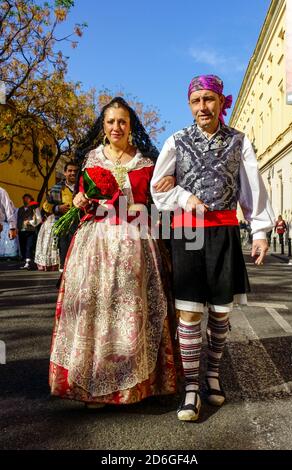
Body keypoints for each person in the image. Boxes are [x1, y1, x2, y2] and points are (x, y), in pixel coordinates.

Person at [151, 74, 275, 422]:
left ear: (222, 102)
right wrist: (184, 195)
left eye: (209, 99)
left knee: (221, 313)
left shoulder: (240, 142)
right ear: (189, 105)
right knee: (189, 313)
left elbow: (252, 188)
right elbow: (158, 191)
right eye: (196, 101)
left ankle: (212, 374)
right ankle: (191, 387)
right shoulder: (175, 142)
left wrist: (262, 230)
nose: (202, 107)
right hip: (187, 234)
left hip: (224, 233)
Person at [49, 97, 177, 407]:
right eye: (110, 122)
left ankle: (136, 385)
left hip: (137, 241)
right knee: (97, 308)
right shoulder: (92, 159)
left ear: (131, 125)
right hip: (97, 244)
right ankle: (95, 384)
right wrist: (80, 198)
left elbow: (160, 202)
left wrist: (143, 205)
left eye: (122, 121)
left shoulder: (147, 162)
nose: (116, 127)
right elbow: (83, 194)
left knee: (133, 310)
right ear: (103, 127)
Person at [43, 161, 78, 271]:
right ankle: (64, 270)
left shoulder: (83, 187)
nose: (73, 173)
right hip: (63, 225)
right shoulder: (57, 188)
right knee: (64, 247)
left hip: (81, 223)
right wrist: (57, 208)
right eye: (70, 171)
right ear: (65, 173)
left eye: (75, 171)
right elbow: (46, 205)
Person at [17, 194, 42, 269]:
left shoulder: (34, 208)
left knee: (29, 246)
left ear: (30, 199)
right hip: (21, 230)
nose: (25, 200)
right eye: (24, 199)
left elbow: (39, 219)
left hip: (30, 230)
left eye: (27, 198)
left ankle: (28, 262)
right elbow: (18, 219)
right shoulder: (20, 209)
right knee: (23, 247)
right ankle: (26, 261)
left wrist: (30, 222)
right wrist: (17, 228)